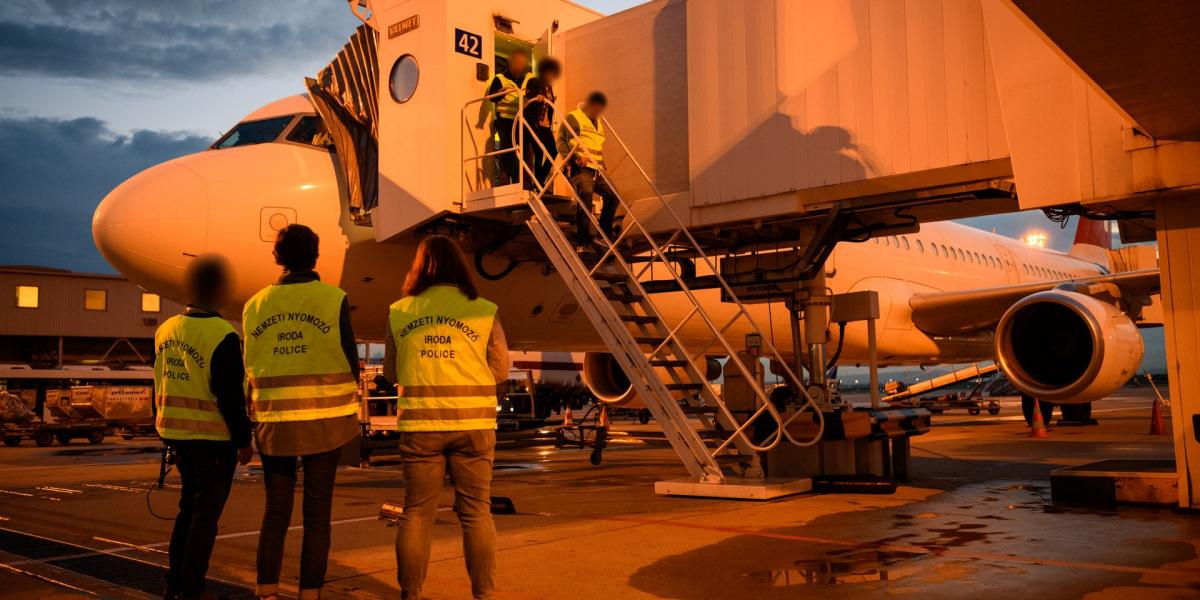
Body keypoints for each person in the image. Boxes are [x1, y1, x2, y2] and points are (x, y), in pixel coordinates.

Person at [385, 235, 510, 600]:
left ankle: (411, 593)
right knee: (476, 514)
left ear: (419, 266)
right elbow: (501, 370)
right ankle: (483, 593)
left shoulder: (399, 311)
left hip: (421, 428)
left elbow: (392, 373)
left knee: (417, 515)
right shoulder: (484, 309)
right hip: (473, 427)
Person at [242, 224, 361, 600]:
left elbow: (251, 365)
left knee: (275, 513)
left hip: (275, 422)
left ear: (278, 258)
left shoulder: (254, 304)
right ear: (316, 255)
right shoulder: (332, 298)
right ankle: (311, 593)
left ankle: (266, 592)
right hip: (325, 421)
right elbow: (351, 362)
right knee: (317, 515)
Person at [153, 255, 253, 600]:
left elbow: (161, 381)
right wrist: (243, 440)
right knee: (204, 519)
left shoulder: (165, 329)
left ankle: (175, 584)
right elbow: (228, 395)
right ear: (218, 292)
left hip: (177, 436)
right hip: (212, 439)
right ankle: (192, 588)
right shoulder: (222, 334)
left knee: (187, 512)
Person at [558, 91, 620, 248]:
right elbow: (561, 141)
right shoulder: (574, 117)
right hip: (581, 168)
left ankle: (604, 233)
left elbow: (596, 145)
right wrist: (572, 159)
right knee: (585, 197)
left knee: (613, 196)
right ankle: (583, 239)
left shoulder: (599, 122)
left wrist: (602, 163)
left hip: (597, 168)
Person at [477, 50, 532, 185]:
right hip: (506, 121)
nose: (519, 66)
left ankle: (525, 183)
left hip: (523, 121)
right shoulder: (500, 78)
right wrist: (501, 94)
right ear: (510, 64)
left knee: (526, 153)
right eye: (517, 62)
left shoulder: (528, 78)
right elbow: (492, 97)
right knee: (507, 152)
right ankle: (504, 183)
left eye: (522, 63)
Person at [522, 57, 562, 191]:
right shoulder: (533, 81)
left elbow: (549, 104)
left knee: (553, 151)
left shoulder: (549, 87)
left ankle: (539, 180)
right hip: (535, 123)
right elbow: (528, 96)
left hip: (546, 125)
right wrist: (537, 97)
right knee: (538, 153)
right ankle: (538, 184)